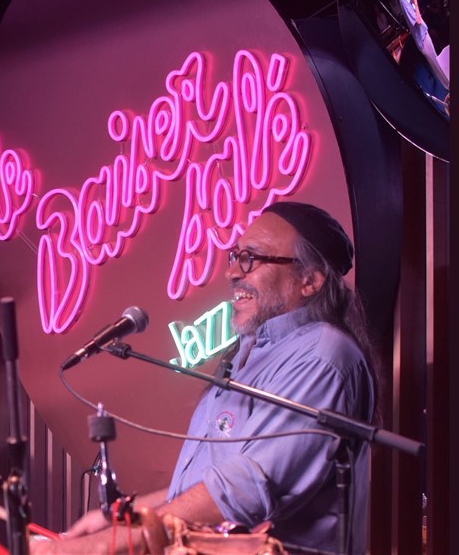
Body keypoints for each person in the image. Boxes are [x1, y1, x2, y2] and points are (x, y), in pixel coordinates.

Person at [31, 202, 378, 555]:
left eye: (252, 258)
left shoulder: (321, 355)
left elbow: (245, 488)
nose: (232, 272)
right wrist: (121, 520)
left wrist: (99, 546)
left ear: (309, 281)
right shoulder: (251, 352)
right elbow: (205, 483)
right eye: (236, 256)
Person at [398, 0, 450, 90]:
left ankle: (448, 84)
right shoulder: (403, 0)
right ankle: (448, 85)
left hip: (423, 33)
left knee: (437, 61)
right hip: (422, 38)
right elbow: (417, 21)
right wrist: (415, 2)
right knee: (436, 63)